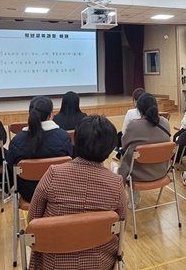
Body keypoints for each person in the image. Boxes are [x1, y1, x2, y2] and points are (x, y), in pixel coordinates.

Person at [27, 115, 126, 270]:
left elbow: (33, 221)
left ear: (75, 141)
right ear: (110, 149)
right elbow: (121, 227)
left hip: (53, 262)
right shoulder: (116, 183)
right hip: (99, 263)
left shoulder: (53, 174)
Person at [7, 96, 72, 202]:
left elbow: (11, 166)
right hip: (58, 191)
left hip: (29, 194)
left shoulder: (17, 140)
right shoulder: (64, 137)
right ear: (50, 114)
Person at [118, 93, 171, 206]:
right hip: (161, 172)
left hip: (138, 175)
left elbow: (124, 144)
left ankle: (130, 197)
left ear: (138, 109)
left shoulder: (134, 125)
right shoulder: (165, 123)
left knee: (124, 160)